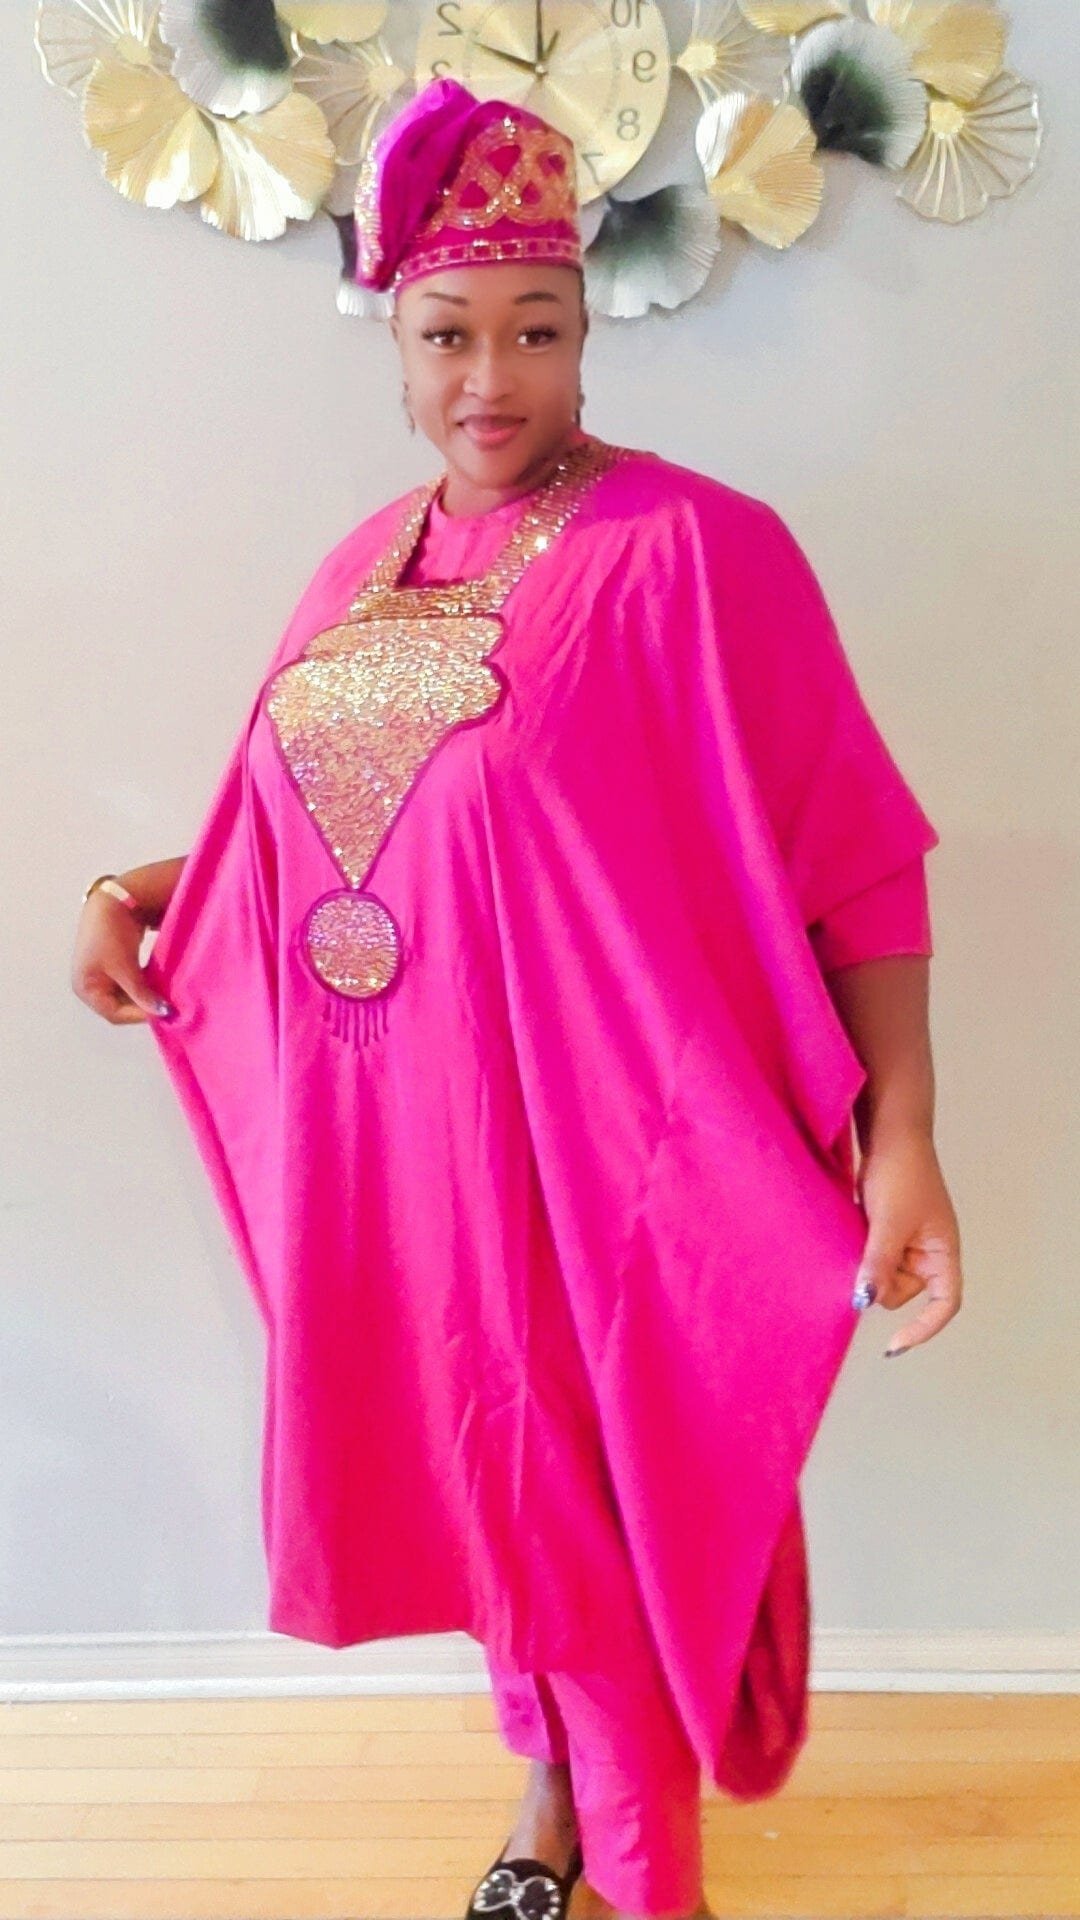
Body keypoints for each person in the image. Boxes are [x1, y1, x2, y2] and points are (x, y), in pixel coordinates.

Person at [70, 75, 963, 1920]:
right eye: (450, 334)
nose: (493, 378)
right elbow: (307, 826)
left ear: (585, 333)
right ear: (395, 342)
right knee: (489, 1485)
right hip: (400, 1141)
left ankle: (643, 1877)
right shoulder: (357, 570)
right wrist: (128, 894)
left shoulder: (690, 552)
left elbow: (854, 854)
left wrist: (910, 1143)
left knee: (587, 1495)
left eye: (537, 331)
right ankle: (544, 1796)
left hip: (588, 1139)